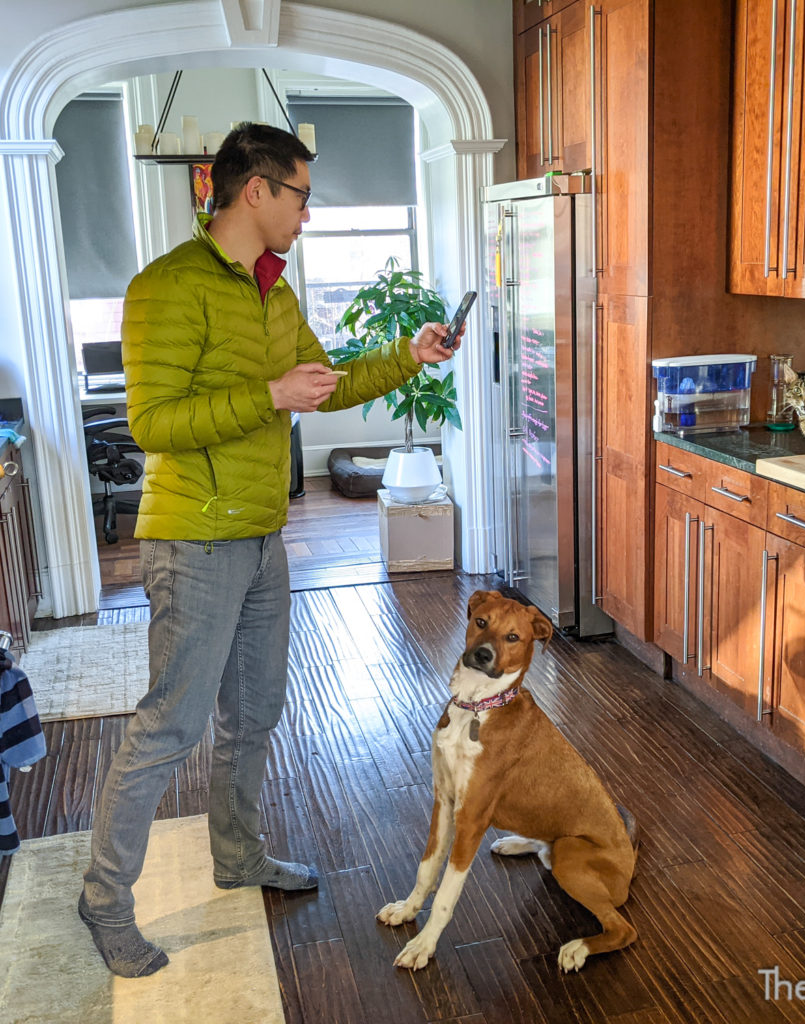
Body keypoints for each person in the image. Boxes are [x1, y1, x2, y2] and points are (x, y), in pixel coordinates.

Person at [78, 122, 463, 977]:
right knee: (168, 728)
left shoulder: (273, 291)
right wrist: (267, 395)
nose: (307, 215)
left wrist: (410, 353)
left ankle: (238, 854)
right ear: (255, 190)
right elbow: (152, 425)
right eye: (301, 196)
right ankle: (103, 900)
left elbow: (327, 383)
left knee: (254, 717)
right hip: (192, 540)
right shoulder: (165, 287)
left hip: (261, 536)